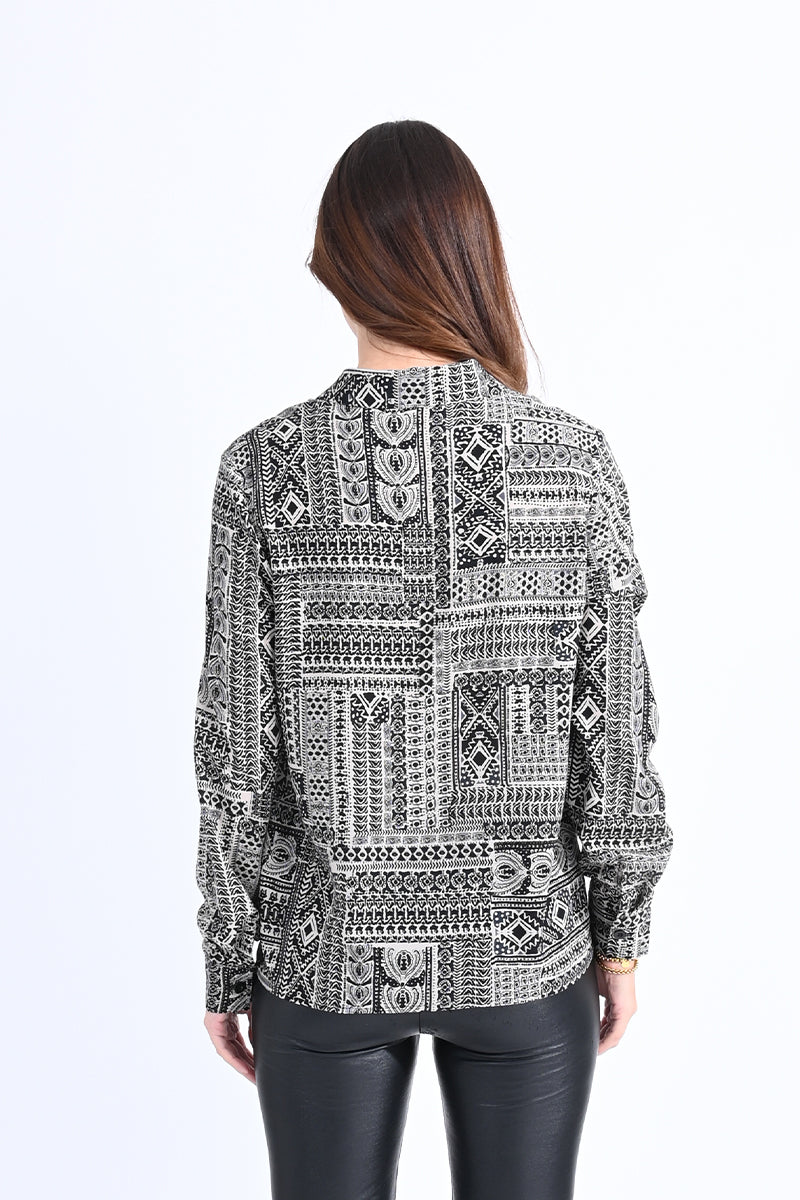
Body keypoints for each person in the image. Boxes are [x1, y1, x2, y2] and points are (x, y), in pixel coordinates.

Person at [192, 119, 673, 1200]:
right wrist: (620, 936)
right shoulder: (573, 461)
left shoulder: (262, 470)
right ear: (471, 259)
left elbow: (233, 745)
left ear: (333, 264)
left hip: (325, 952)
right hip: (523, 949)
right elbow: (615, 726)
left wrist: (227, 955)